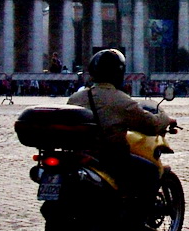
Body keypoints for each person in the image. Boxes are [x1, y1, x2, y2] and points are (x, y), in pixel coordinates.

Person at [68, 49, 174, 205]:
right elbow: (151, 124)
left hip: (80, 154)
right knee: (150, 172)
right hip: (110, 157)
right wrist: (166, 119)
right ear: (118, 73)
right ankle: (136, 223)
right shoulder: (120, 100)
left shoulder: (75, 98)